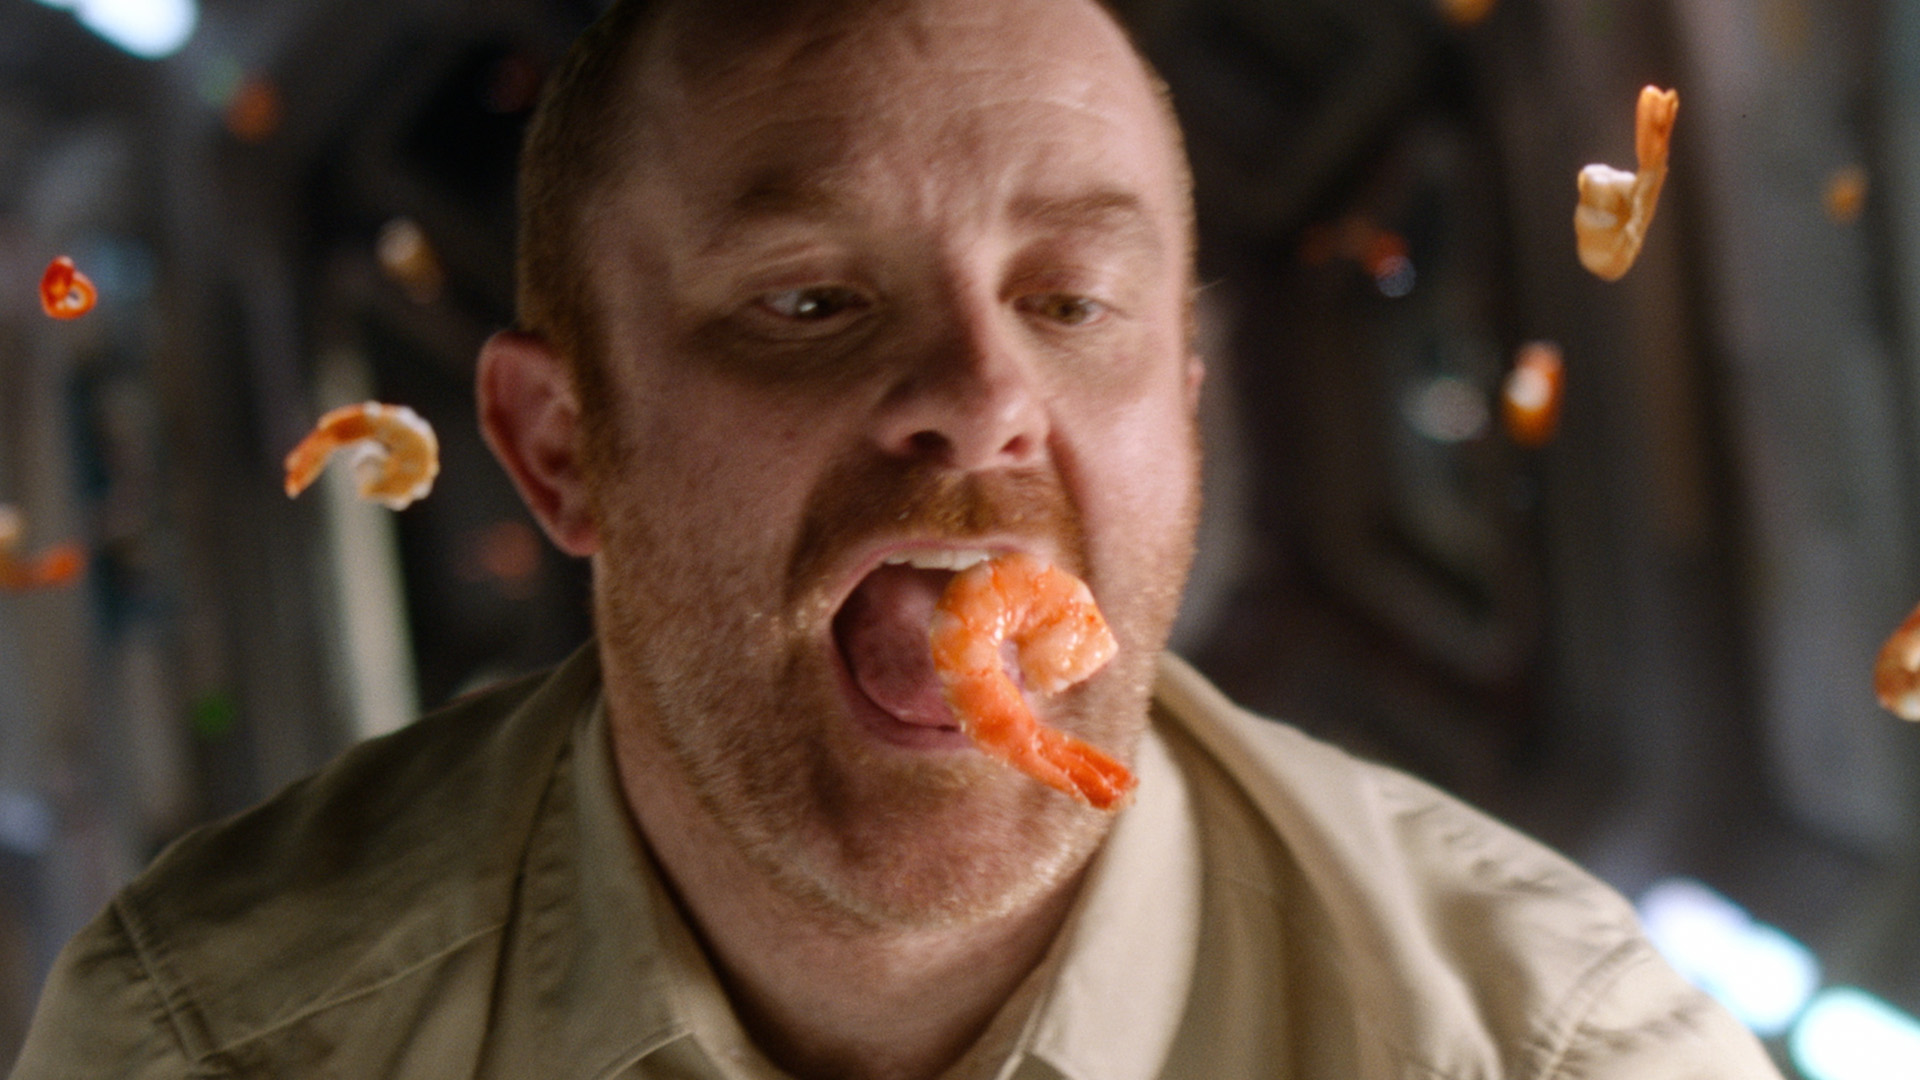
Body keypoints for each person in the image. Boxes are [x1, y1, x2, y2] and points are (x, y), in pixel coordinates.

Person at [10, 1, 1785, 1077]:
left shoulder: (1560, 1052)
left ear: (1183, 417)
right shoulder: (218, 1041)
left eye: (1071, 302)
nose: (983, 397)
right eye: (810, 300)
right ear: (560, 450)